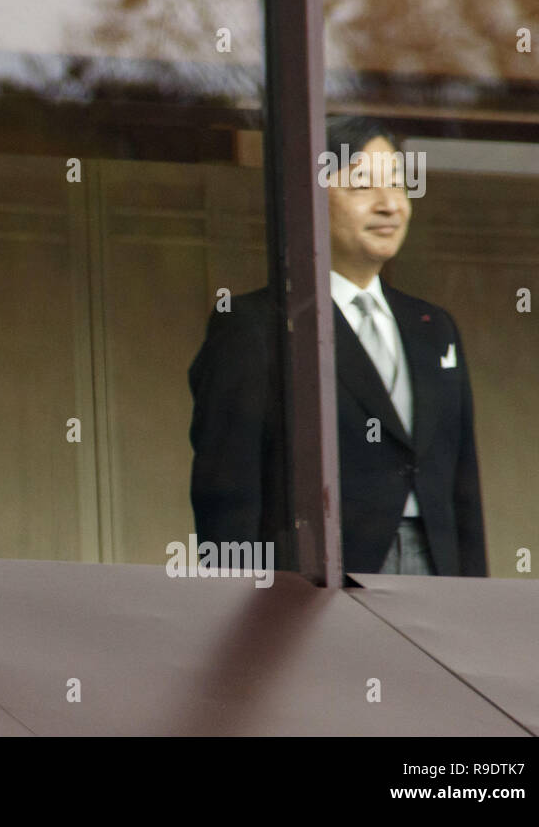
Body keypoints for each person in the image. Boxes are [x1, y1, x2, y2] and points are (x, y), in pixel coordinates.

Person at [187, 116, 486, 576]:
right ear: (309, 199)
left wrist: (474, 603)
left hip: (437, 572)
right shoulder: (255, 326)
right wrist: (241, 606)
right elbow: (229, 492)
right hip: (317, 579)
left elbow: (463, 488)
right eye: (362, 185)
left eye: (398, 185)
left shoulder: (433, 327)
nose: (389, 205)